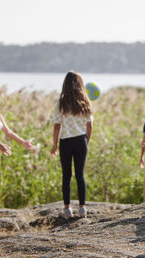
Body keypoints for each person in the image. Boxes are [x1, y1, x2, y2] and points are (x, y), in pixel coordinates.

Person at [50, 71, 93, 218]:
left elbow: (56, 126)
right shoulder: (85, 102)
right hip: (81, 140)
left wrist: (54, 144)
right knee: (80, 174)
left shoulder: (61, 103)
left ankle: (67, 208)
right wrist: (87, 141)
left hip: (66, 141)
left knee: (66, 175)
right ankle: (82, 208)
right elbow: (89, 126)